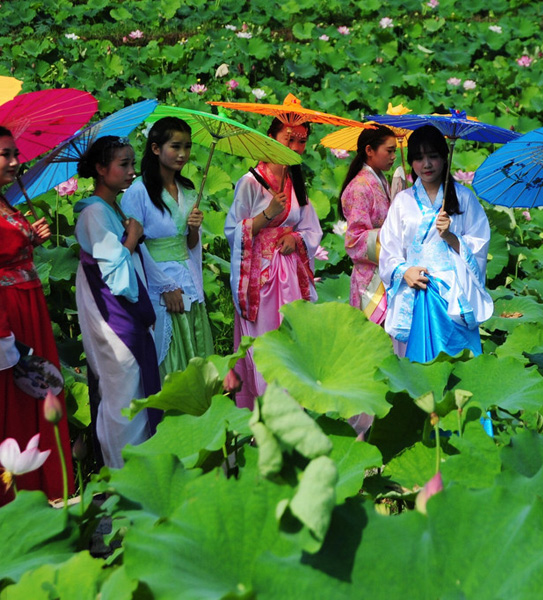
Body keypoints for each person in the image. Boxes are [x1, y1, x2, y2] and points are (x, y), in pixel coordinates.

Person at [0, 125, 73, 506]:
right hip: (2, 317)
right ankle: (0, 498)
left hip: (28, 308)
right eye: (5, 154)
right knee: (5, 403)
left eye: (15, 153)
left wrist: (30, 240)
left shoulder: (4, 204)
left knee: (34, 398)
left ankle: (42, 491)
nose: (15, 161)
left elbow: (8, 253)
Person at [74, 135, 160, 469]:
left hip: (118, 302)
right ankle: (122, 470)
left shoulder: (109, 208)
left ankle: (140, 465)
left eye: (131, 164)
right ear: (100, 168)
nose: (131, 171)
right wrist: (134, 237)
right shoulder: (94, 213)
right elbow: (114, 268)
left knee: (131, 385)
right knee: (122, 386)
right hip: (110, 307)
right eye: (123, 164)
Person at [225, 118, 323, 409]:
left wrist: (296, 238)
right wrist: (269, 214)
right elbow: (233, 231)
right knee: (264, 345)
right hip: (260, 280)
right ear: (270, 138)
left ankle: (294, 409)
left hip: (290, 275)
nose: (295, 147)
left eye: (302, 140)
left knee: (291, 342)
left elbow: (311, 230)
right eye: (289, 139)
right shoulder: (250, 183)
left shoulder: (296, 184)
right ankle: (263, 413)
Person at [379, 124, 493, 362]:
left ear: (444, 157)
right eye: (419, 158)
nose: (426, 164)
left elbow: (480, 243)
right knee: (416, 368)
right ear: (411, 162)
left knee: (458, 365)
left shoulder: (463, 198)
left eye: (432, 156)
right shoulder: (402, 201)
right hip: (415, 288)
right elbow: (389, 249)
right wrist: (405, 271)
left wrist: (451, 236)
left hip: (454, 294)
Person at [121, 117, 214, 379]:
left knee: (195, 352)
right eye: (175, 146)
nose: (183, 154)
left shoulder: (187, 189)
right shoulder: (137, 192)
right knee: (169, 359)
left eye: (187, 146)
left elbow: (190, 245)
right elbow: (136, 246)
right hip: (158, 284)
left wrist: (194, 229)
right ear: (155, 148)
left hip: (189, 282)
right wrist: (165, 287)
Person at [340, 125, 397, 325]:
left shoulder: (381, 180)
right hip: (369, 279)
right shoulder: (359, 187)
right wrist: (394, 236)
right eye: (389, 151)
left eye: (395, 152)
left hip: (386, 270)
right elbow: (355, 239)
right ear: (369, 150)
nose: (393, 157)